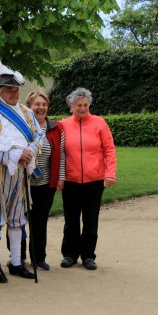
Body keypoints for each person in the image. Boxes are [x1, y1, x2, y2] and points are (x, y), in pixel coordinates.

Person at [0, 61, 43, 283]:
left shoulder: (26, 112)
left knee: (17, 218)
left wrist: (29, 151)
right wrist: (11, 155)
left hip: (22, 173)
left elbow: (38, 137)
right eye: (8, 90)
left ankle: (16, 262)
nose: (14, 93)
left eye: (16, 90)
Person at [59, 87, 117, 270]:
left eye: (85, 105)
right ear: (71, 106)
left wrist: (110, 173)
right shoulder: (63, 125)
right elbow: (39, 125)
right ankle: (69, 254)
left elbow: (109, 149)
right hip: (71, 180)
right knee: (71, 220)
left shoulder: (100, 123)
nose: (82, 108)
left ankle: (88, 256)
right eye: (78, 105)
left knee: (91, 220)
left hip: (94, 180)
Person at [20, 90, 66, 271]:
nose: (41, 108)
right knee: (19, 222)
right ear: (29, 107)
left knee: (40, 222)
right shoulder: (22, 126)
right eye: (37, 104)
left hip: (45, 184)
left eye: (44, 104)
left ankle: (39, 258)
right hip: (22, 184)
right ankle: (18, 257)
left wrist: (60, 178)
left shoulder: (56, 128)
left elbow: (61, 154)